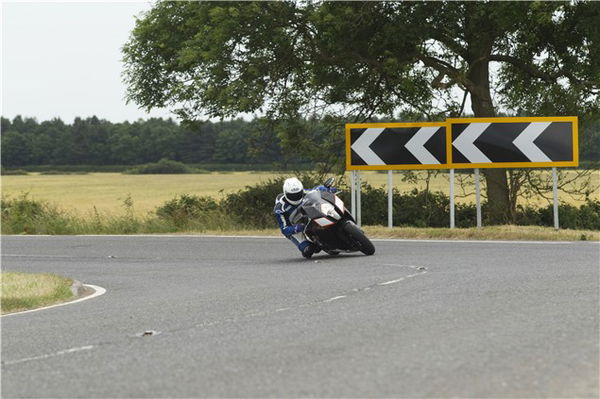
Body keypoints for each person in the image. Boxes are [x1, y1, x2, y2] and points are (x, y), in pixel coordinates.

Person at [274, 177, 336, 258]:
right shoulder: (280, 209)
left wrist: (328, 189)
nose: (296, 197)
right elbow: (284, 229)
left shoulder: (304, 192)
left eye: (298, 194)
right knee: (308, 250)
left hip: (309, 216)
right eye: (292, 195)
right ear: (286, 193)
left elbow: (316, 190)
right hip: (293, 226)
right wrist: (297, 228)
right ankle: (318, 245)